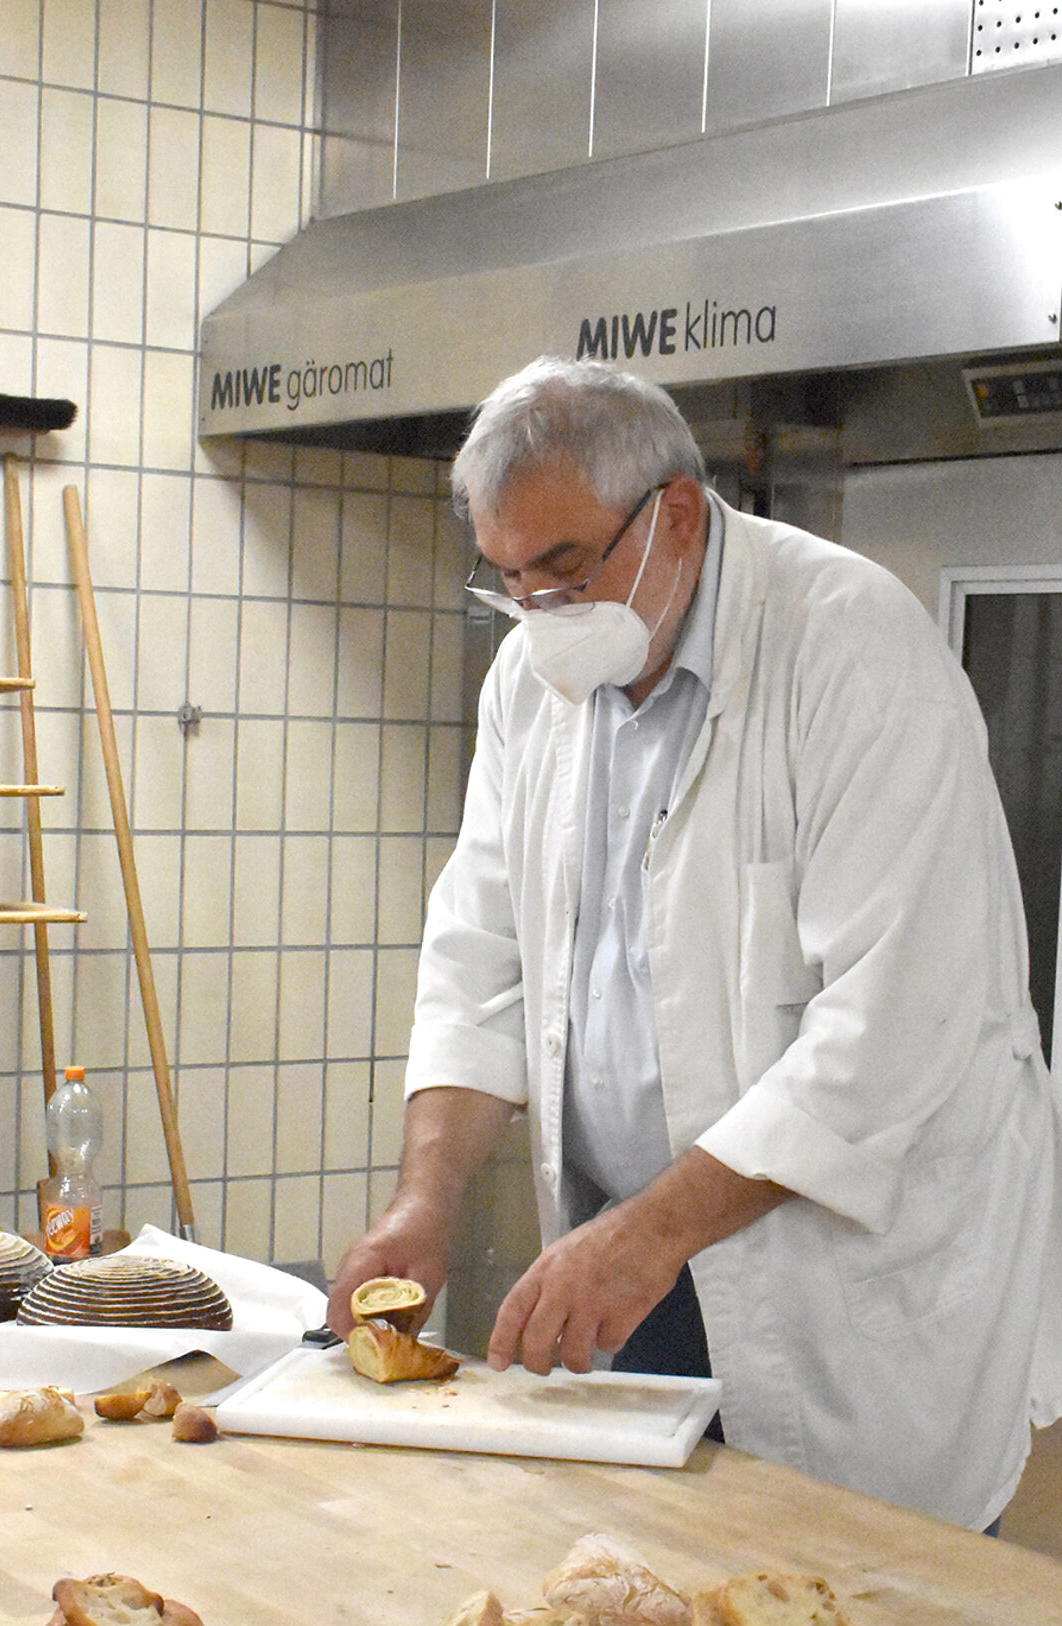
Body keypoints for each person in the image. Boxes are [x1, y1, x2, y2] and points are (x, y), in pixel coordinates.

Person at [329, 357, 1062, 1530]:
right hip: (633, 1256)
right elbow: (480, 959)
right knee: (643, 1600)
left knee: (854, 1619)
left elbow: (897, 1028)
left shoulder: (847, 646)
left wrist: (648, 1235)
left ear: (672, 512)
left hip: (830, 1284)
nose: (535, 613)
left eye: (562, 570)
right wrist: (427, 1200)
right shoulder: (531, 678)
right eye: (507, 579)